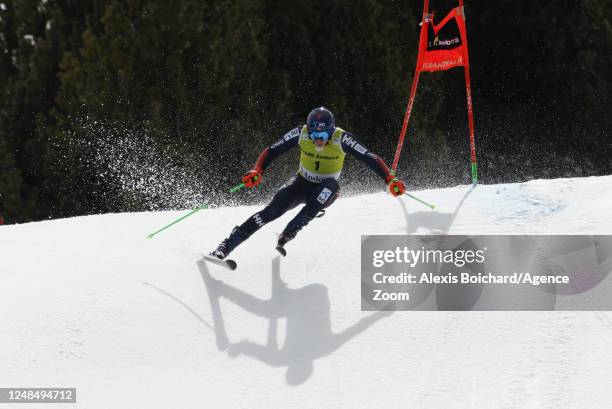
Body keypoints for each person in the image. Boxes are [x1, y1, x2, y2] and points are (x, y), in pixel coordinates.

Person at [210, 107, 406, 259]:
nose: (317, 140)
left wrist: (390, 179)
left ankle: (290, 230)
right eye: (314, 135)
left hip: (325, 190)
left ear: (331, 131)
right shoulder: (300, 133)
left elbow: (371, 158)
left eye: (321, 136)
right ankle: (226, 246)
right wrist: (257, 170)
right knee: (270, 212)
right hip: (300, 183)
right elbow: (272, 150)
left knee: (329, 187)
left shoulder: (341, 138)